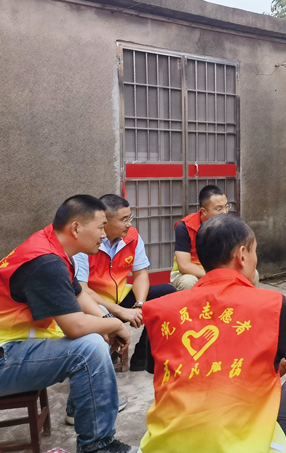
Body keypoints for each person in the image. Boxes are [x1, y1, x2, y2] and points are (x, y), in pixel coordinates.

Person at [140, 215, 286, 453]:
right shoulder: (274, 305)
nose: (255, 259)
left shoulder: (159, 310)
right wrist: (277, 364)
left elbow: (159, 371)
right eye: (254, 251)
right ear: (242, 255)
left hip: (164, 448)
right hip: (247, 447)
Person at [0, 195, 137, 453]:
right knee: (89, 348)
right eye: (101, 226)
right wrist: (116, 326)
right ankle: (98, 446)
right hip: (5, 356)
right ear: (76, 228)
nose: (103, 234)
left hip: (15, 347)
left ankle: (81, 409)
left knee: (95, 335)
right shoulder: (47, 262)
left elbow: (79, 294)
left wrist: (106, 321)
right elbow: (75, 326)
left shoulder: (50, 244)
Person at [74, 194, 176, 373]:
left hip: (121, 297)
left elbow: (141, 274)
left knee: (167, 293)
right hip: (95, 305)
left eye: (130, 218)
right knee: (101, 312)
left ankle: (143, 358)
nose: (129, 224)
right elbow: (82, 290)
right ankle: (101, 367)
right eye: (124, 220)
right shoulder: (86, 242)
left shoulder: (132, 237)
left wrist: (140, 304)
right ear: (105, 221)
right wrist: (120, 311)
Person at [170, 185, 231, 290]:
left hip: (219, 270)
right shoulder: (185, 227)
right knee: (188, 282)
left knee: (253, 273)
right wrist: (213, 275)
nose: (225, 212)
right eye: (219, 209)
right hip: (191, 273)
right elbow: (184, 266)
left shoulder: (230, 224)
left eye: (226, 206)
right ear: (204, 211)